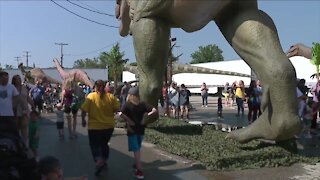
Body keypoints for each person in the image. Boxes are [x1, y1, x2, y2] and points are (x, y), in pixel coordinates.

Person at [81, 80, 120, 176]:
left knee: (94, 145)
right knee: (104, 144)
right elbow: (117, 109)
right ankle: (104, 160)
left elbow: (83, 110)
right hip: (108, 126)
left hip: (94, 127)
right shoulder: (110, 97)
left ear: (95, 87)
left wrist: (83, 120)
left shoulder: (91, 96)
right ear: (104, 87)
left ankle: (98, 160)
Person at [119, 87, 157, 180]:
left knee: (136, 150)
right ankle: (137, 164)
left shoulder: (127, 105)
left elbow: (120, 114)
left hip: (132, 130)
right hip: (141, 129)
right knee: (138, 148)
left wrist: (128, 120)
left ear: (130, 95)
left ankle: (139, 171)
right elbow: (154, 110)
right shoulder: (143, 104)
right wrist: (147, 116)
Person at [11, 74, 35, 145]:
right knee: (16, 127)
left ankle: (25, 144)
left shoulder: (24, 87)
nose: (20, 79)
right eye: (18, 78)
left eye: (19, 78)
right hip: (15, 110)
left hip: (24, 110)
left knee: (24, 127)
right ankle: (17, 143)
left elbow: (27, 97)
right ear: (14, 80)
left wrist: (32, 104)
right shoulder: (12, 88)